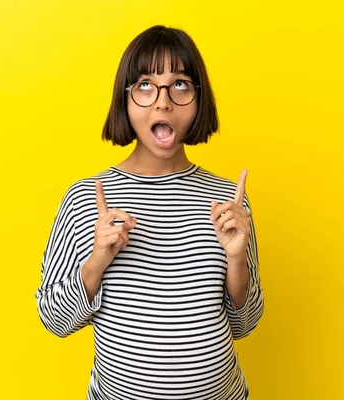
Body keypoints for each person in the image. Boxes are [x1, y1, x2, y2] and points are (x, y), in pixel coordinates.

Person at [35, 25, 264, 400]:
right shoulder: (86, 200)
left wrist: (236, 259)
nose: (162, 102)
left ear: (198, 98)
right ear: (124, 99)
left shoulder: (228, 200)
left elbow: (245, 323)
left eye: (180, 84)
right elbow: (54, 319)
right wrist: (96, 262)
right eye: (144, 84)